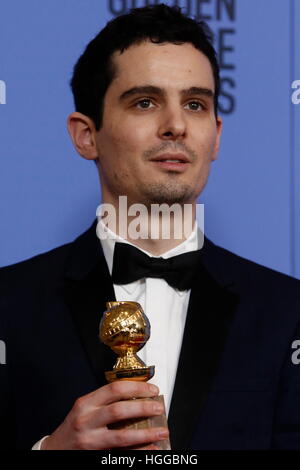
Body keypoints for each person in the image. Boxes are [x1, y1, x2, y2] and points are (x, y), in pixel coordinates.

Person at [1, 3, 300, 451]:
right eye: (145, 102)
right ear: (87, 134)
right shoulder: (9, 303)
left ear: (215, 135)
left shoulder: (289, 312)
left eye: (195, 104)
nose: (176, 125)